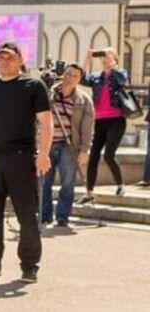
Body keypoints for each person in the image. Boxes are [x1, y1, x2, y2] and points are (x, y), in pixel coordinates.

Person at [0, 43, 53, 282]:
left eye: (10, 58)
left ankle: (29, 265)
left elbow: (46, 122)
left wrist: (43, 154)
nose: (5, 62)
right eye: (0, 58)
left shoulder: (33, 86)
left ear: (20, 59)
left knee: (27, 216)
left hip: (22, 160)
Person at [42, 63, 93, 227]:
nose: (70, 78)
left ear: (79, 79)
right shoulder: (48, 93)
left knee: (68, 183)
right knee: (44, 182)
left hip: (69, 145)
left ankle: (62, 217)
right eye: (68, 74)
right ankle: (44, 215)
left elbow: (87, 127)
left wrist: (84, 150)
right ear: (63, 74)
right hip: (47, 143)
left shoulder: (84, 100)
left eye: (75, 76)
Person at [78, 47, 129, 202]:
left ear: (114, 58)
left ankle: (120, 185)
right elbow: (82, 79)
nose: (104, 59)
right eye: (102, 56)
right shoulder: (96, 77)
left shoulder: (120, 73)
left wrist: (112, 66)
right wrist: (87, 59)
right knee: (93, 157)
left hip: (116, 120)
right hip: (100, 120)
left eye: (108, 55)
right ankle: (89, 193)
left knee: (108, 155)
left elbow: (122, 80)